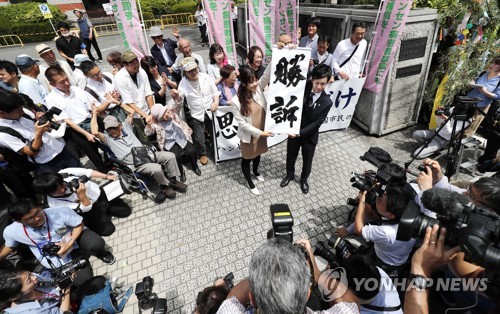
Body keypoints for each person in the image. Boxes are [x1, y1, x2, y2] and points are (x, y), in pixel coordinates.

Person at [215, 238, 359, 313]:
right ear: (307, 294)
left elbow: (233, 298)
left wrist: (267, 272)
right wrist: (317, 273)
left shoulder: (228, 310)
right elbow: (351, 304)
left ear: (252, 298)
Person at [91, 109, 187, 203]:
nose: (112, 131)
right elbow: (94, 132)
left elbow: (131, 112)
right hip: (135, 163)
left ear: (119, 125)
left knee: (170, 156)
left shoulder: (126, 127)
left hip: (146, 154)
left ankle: (173, 181)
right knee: (156, 168)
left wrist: (117, 102)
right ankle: (164, 187)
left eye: (114, 128)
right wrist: (94, 114)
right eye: (109, 129)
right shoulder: (107, 138)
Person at [0, 198, 116, 269]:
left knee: (95, 243)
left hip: (73, 239)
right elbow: (9, 246)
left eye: (38, 212)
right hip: (55, 257)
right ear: (18, 221)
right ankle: (79, 258)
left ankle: (100, 253)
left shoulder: (60, 211)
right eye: (29, 219)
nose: (37, 219)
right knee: (82, 280)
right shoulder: (11, 232)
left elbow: (79, 225)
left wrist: (69, 244)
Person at [44, 65, 111, 173]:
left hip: (91, 120)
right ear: (52, 84)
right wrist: (87, 134)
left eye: (67, 79)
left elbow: (91, 108)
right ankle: (105, 173)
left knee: (108, 143)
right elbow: (68, 121)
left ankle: (112, 164)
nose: (66, 83)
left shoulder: (76, 90)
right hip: (76, 129)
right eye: (62, 82)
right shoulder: (51, 99)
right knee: (93, 153)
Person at [280, 64, 333, 194]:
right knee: (291, 156)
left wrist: (299, 133)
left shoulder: (327, 102)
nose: (319, 87)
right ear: (312, 79)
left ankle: (304, 180)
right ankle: (289, 175)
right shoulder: (302, 88)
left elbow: (317, 124)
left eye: (323, 84)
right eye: (317, 83)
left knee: (307, 160)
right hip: (294, 131)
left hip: (309, 136)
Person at [32, 168, 132, 236]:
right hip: (90, 210)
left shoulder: (65, 173)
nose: (63, 190)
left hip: (100, 196)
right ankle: (102, 218)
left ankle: (107, 212)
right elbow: (85, 208)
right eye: (57, 191)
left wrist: (106, 176)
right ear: (47, 193)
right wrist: (82, 195)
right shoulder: (53, 205)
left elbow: (88, 172)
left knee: (126, 212)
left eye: (62, 185)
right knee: (108, 231)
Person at [0, 90, 80, 173]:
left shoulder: (24, 112)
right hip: (48, 164)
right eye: (19, 111)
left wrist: (43, 121)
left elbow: (41, 126)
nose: (23, 111)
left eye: (22, 108)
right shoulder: (3, 134)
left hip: (61, 150)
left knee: (83, 178)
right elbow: (30, 152)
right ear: (2, 113)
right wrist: (39, 133)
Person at [354, 185, 416, 269]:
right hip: (399, 257)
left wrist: (361, 203)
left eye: (380, 201)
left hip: (384, 262)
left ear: (390, 215)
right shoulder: (411, 214)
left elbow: (358, 229)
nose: (378, 198)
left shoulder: (386, 232)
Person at [232, 66, 272, 195]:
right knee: (247, 159)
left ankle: (256, 172)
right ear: (243, 83)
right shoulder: (236, 101)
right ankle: (250, 182)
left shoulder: (258, 88)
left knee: (258, 154)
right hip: (250, 136)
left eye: (255, 80)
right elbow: (243, 124)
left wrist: (279, 50)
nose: (255, 84)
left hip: (261, 132)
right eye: (251, 81)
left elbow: (266, 74)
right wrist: (260, 133)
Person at [174, 57, 220, 166]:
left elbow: (215, 92)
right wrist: (176, 97)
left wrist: (216, 102)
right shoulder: (183, 84)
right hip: (196, 114)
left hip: (210, 110)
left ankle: (217, 150)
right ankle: (202, 153)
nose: (194, 72)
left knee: (214, 132)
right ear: (185, 72)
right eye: (190, 71)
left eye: (195, 69)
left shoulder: (206, 77)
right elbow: (180, 101)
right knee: (199, 137)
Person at [147, 103, 200, 181]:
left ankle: (195, 166)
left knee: (191, 151)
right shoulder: (156, 124)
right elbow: (148, 132)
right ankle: (181, 173)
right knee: (175, 156)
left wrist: (176, 97)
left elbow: (179, 103)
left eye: (165, 111)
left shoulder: (173, 112)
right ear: (159, 117)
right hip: (169, 142)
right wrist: (148, 125)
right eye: (163, 114)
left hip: (181, 137)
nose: (167, 114)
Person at [113, 50, 155, 145]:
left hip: (147, 110)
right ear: (125, 65)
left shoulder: (142, 71)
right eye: (132, 63)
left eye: (136, 61)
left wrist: (152, 111)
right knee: (144, 139)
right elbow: (128, 101)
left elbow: (148, 92)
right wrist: (145, 115)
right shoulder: (120, 78)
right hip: (136, 114)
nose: (136, 64)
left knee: (155, 134)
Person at [0, 269, 72, 313]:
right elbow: (63, 312)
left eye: (29, 273)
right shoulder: (33, 312)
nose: (34, 277)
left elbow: (51, 280)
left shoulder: (27, 279)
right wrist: (67, 287)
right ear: (16, 296)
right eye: (29, 281)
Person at [463, 55, 500, 137]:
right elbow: (472, 80)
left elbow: (497, 96)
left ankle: (458, 144)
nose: (492, 64)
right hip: (468, 101)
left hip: (481, 106)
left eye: (496, 63)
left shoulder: (499, 80)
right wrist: (470, 83)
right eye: (492, 62)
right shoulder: (483, 73)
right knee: (458, 122)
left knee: (470, 128)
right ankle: (449, 139)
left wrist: (484, 91)